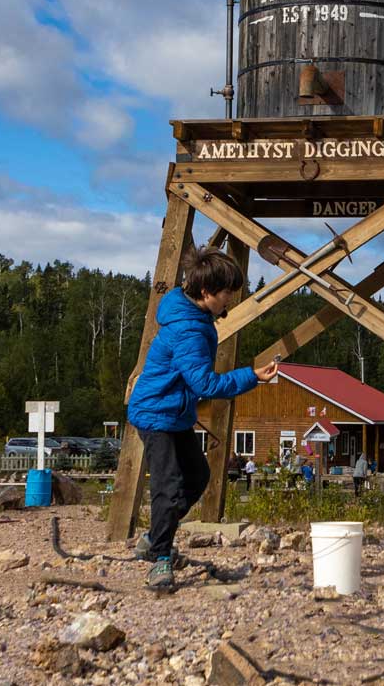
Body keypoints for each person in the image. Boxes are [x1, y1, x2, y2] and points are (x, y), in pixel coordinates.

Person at [127, 245, 278, 593]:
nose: (229, 301)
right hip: (156, 414)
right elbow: (205, 383)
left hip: (174, 413)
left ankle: (154, 537)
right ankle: (159, 560)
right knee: (168, 487)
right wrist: (252, 376)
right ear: (207, 292)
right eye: (226, 295)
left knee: (197, 477)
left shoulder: (194, 315)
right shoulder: (190, 330)